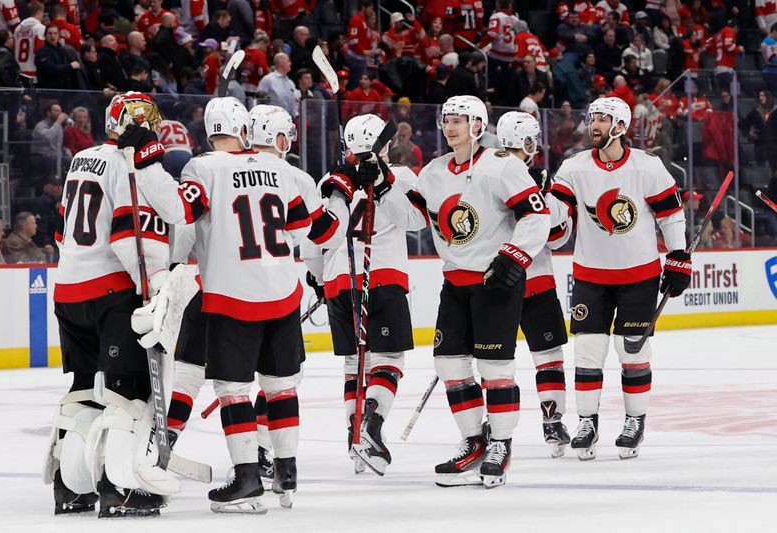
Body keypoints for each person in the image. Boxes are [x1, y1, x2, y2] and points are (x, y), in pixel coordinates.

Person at [131, 97, 348, 513]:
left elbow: (178, 212)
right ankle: (286, 470)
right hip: (282, 295)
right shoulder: (284, 171)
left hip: (231, 298)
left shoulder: (203, 168)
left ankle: (247, 476)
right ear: (246, 132)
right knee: (281, 387)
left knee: (231, 391)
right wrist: (341, 195)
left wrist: (147, 164)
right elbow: (322, 234)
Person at [377, 95, 550, 488]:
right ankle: (474, 441)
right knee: (451, 367)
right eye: (446, 119)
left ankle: (501, 446)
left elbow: (536, 215)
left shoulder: (502, 167)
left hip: (495, 283)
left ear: (477, 126)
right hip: (454, 282)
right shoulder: (435, 171)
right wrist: (381, 184)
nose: (450, 126)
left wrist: (514, 255)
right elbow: (413, 219)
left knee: (494, 370)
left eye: (458, 120)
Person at [43, 92, 179, 518]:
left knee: (84, 387)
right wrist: (154, 289)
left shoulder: (81, 158)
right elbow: (127, 236)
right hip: (110, 293)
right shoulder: (128, 163)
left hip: (68, 289)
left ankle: (71, 487)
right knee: (126, 392)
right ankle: (120, 489)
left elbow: (63, 232)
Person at [547, 96, 690, 461]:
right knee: (588, 351)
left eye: (602, 119)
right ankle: (587, 422)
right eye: (592, 118)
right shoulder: (574, 167)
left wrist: (677, 257)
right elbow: (555, 213)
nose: (593, 125)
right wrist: (537, 200)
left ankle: (634, 420)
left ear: (621, 127)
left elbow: (671, 215)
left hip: (639, 276)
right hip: (591, 276)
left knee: (633, 351)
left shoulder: (647, 166)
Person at [301, 114, 418, 476]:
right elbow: (414, 220)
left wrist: (320, 280)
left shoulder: (329, 180)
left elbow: (313, 239)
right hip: (380, 275)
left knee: (354, 366)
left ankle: (355, 440)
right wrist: (384, 185)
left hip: (339, 280)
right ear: (382, 145)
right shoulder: (403, 176)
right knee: (388, 358)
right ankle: (371, 427)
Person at [496, 112, 572, 458]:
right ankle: (503, 426)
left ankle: (550, 421)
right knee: (498, 361)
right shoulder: (490, 173)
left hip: (530, 279)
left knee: (545, 356)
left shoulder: (537, 178)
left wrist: (546, 193)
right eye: (532, 140)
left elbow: (558, 235)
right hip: (503, 280)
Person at [35, 24, 82, 90]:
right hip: (49, 91)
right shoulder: (43, 51)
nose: (53, 36)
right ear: (45, 36)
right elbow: (49, 69)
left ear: (59, 35)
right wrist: (70, 66)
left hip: (63, 90)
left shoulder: (62, 49)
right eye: (50, 33)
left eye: (55, 33)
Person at [13, 1, 46, 82]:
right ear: (39, 11)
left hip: (19, 70)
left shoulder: (18, 28)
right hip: (33, 71)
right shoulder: (40, 28)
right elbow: (39, 51)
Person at [257, 53, 297, 117]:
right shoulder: (268, 79)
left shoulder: (291, 83)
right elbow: (258, 100)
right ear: (280, 63)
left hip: (287, 120)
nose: (290, 63)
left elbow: (292, 105)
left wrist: (296, 116)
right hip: (271, 119)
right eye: (288, 61)